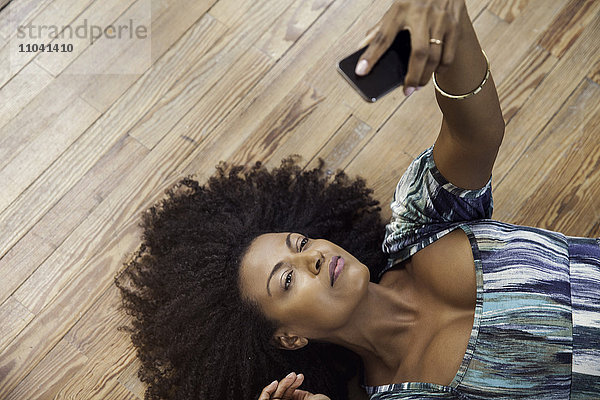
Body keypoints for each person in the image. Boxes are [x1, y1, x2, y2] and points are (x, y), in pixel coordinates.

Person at [116, 0, 600, 399]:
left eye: (300, 243)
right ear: (289, 337)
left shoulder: (419, 227)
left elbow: (478, 134)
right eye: (286, 280)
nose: (313, 257)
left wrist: (448, 23)